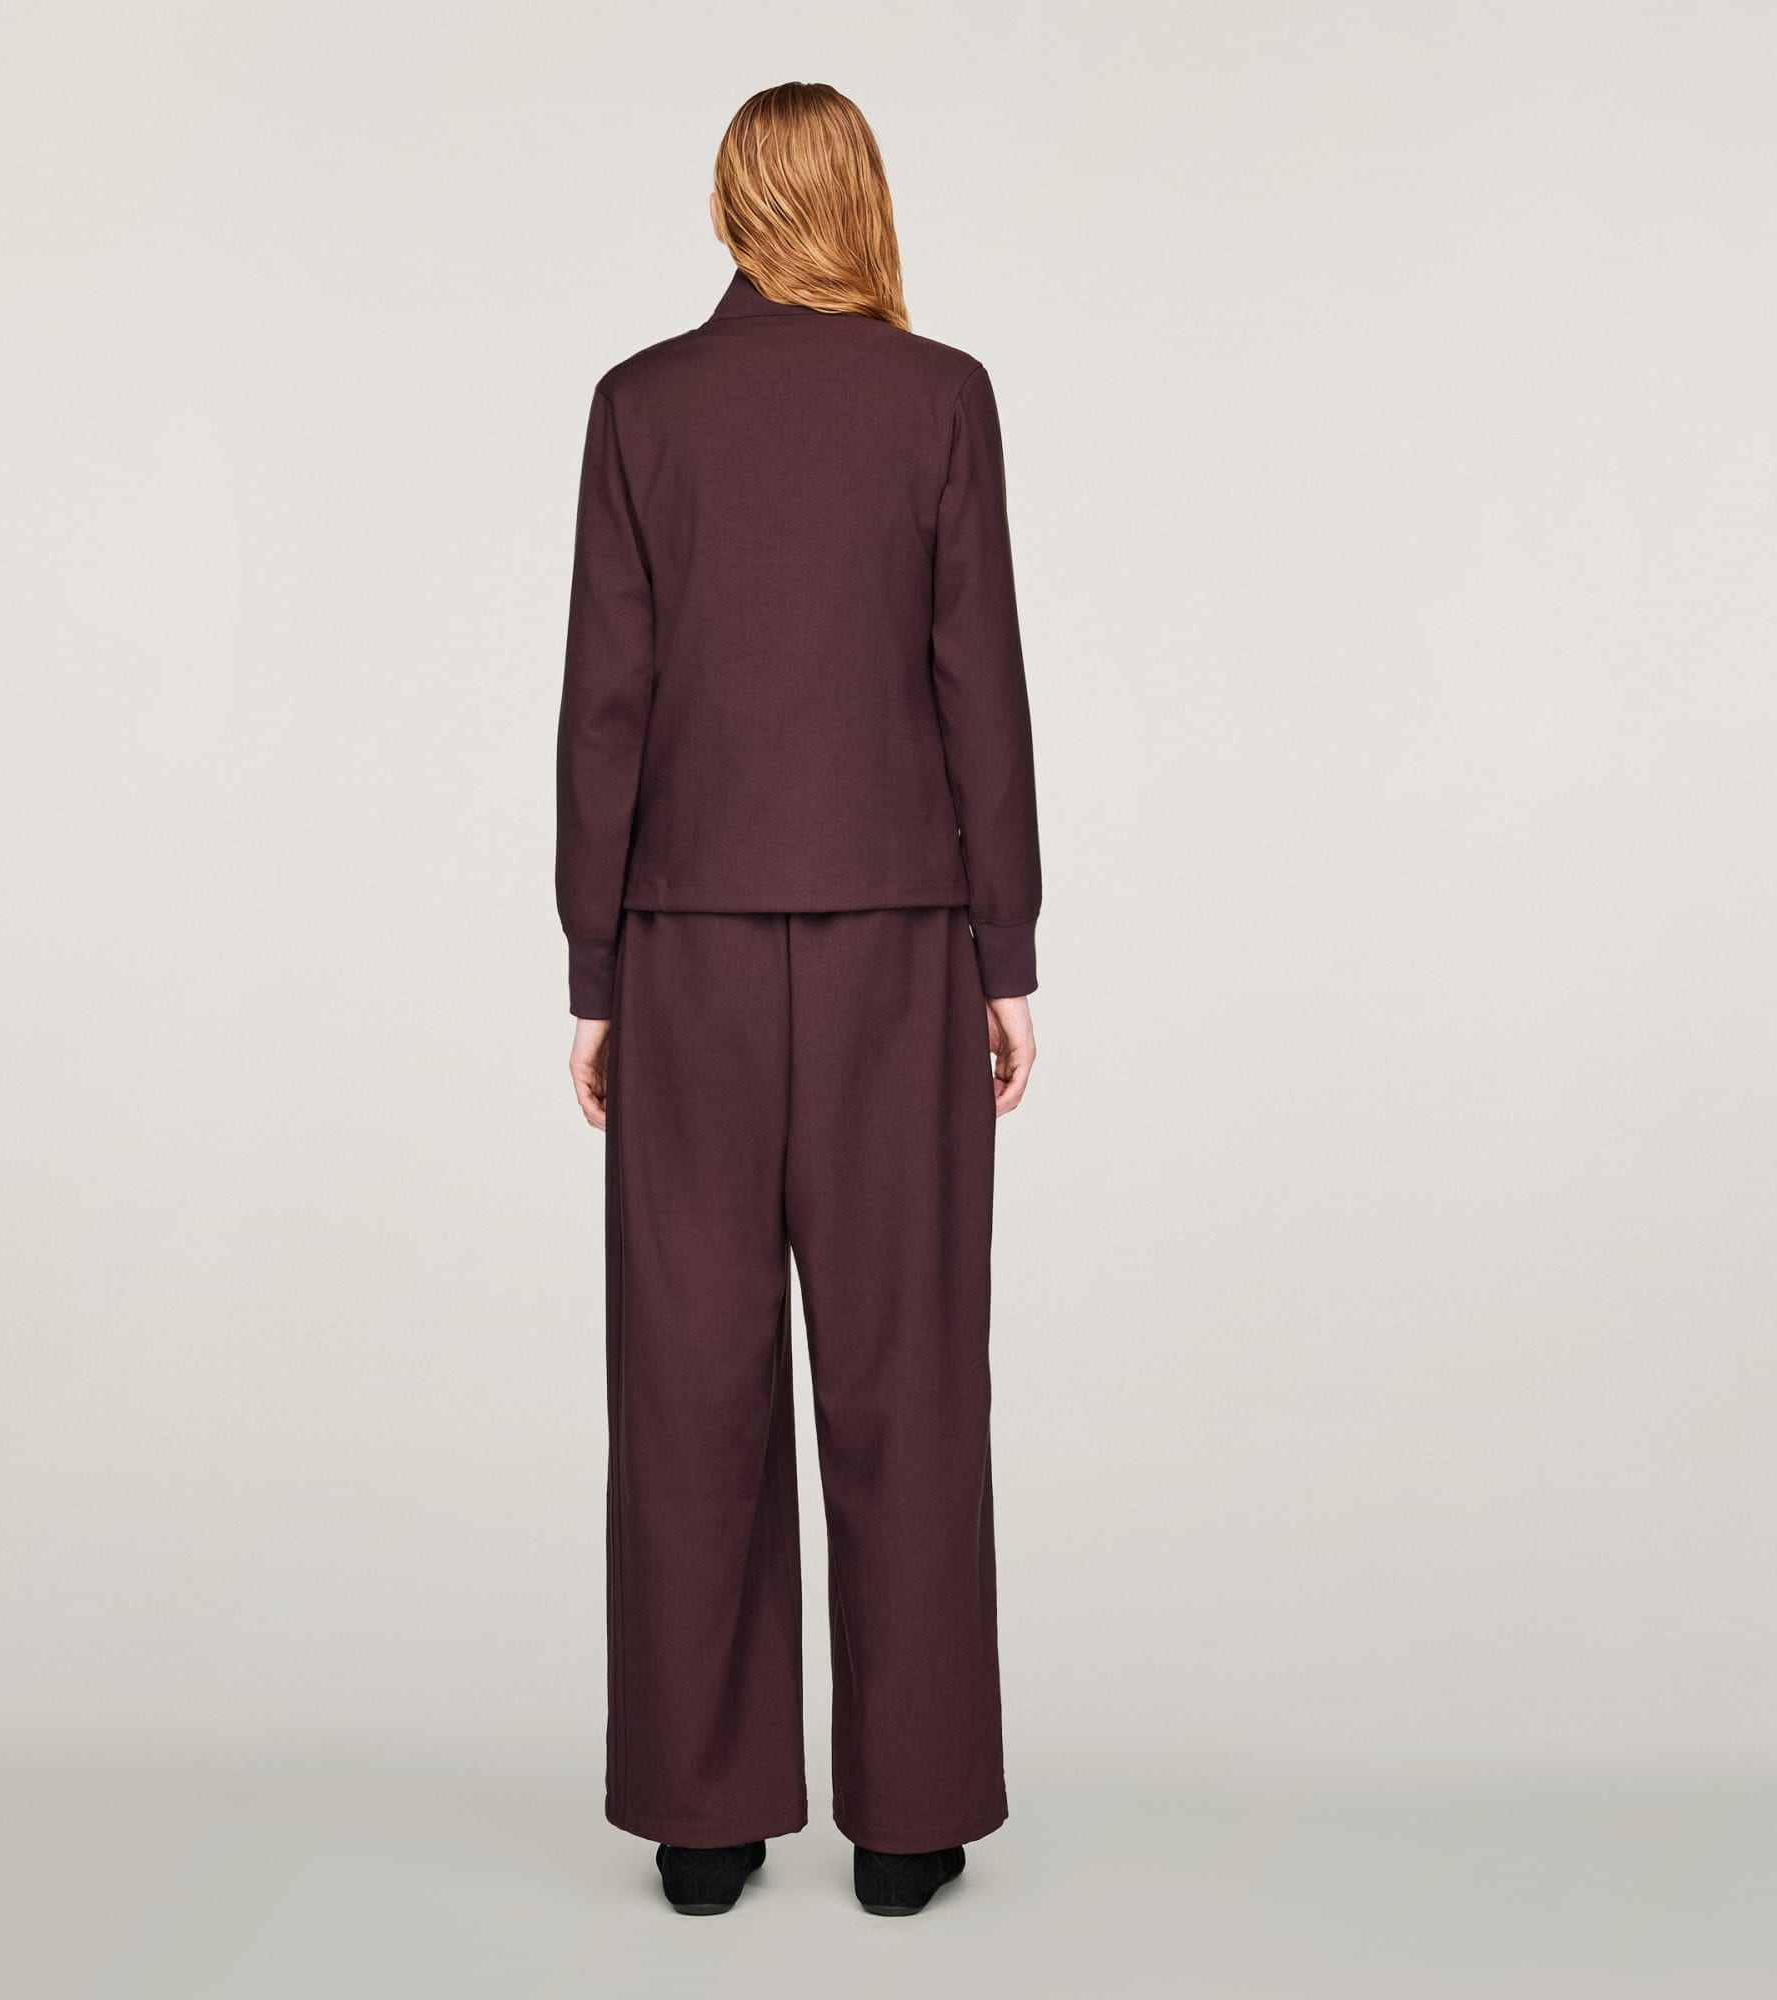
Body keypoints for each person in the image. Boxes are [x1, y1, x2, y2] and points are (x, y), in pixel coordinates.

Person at [555, 81, 1041, 1919]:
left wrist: (596, 969)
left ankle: (704, 1824)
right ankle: (908, 1827)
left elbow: (606, 704)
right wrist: (1006, 950)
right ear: (861, 199)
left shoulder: (640, 407)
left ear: (727, 208)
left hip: (683, 942)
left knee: (688, 1373)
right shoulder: (942, 399)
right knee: (907, 1371)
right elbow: (979, 684)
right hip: (899, 945)